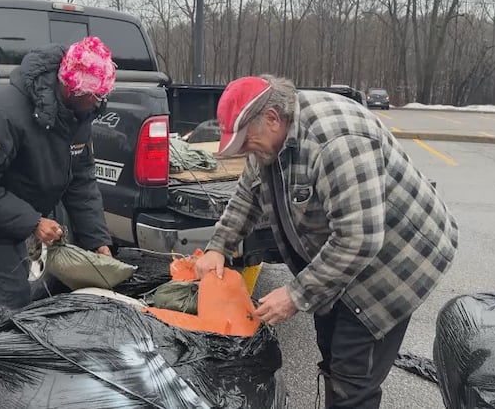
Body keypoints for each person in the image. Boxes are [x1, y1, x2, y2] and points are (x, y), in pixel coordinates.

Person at [195, 75, 458, 409]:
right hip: (343, 253)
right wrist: (219, 246)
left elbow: (359, 238)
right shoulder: (269, 140)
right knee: (332, 349)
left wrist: (295, 295)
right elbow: (248, 194)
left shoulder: (336, 142)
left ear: (273, 118)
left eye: (245, 140)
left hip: (395, 259)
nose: (244, 150)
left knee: (353, 374)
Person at [0, 36, 116, 323]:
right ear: (70, 87)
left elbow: (80, 181)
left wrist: (97, 241)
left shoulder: (78, 115)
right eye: (93, 96)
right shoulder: (2, 112)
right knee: (13, 297)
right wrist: (32, 222)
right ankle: (8, 354)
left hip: (14, 198)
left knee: (23, 282)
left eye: (102, 96)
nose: (97, 103)